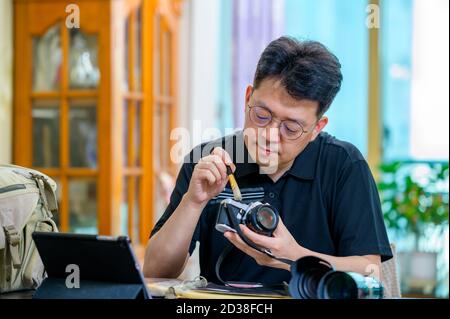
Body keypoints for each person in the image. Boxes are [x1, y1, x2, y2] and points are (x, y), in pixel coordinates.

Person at [143, 36, 392, 285]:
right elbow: (155, 272)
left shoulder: (343, 166)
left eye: (291, 128)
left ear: (317, 128)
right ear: (247, 98)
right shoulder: (207, 160)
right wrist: (193, 202)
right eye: (262, 115)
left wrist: (295, 256)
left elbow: (371, 273)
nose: (270, 136)